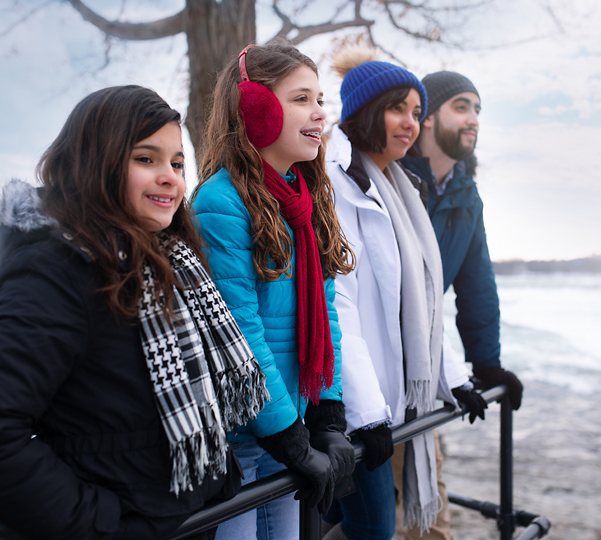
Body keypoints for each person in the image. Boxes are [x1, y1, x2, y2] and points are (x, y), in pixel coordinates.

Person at [0, 85, 270, 539]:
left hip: (182, 518)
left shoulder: (170, 259)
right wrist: (102, 524)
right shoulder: (58, 267)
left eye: (176, 163)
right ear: (97, 162)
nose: (171, 177)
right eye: (146, 159)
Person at [190, 40, 356, 540]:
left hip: (294, 424)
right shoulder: (220, 202)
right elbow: (241, 329)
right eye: (301, 98)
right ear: (255, 108)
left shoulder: (306, 197)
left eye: (321, 100)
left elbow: (325, 311)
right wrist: (287, 435)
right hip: (244, 436)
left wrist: (328, 412)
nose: (319, 114)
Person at [322, 47, 489, 540]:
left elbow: (418, 308)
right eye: (398, 109)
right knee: (369, 527)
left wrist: (455, 379)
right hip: (360, 406)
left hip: (397, 400)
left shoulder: (400, 189)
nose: (410, 123)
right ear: (363, 113)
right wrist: (366, 412)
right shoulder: (335, 186)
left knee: (345, 520)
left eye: (416, 112)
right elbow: (341, 306)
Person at [396, 71, 524, 539]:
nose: (473, 120)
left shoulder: (466, 194)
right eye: (462, 107)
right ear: (426, 119)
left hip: (422, 374)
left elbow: (477, 286)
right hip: (377, 375)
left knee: (428, 513)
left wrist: (486, 364)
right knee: (365, 514)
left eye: (478, 111)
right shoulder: (393, 178)